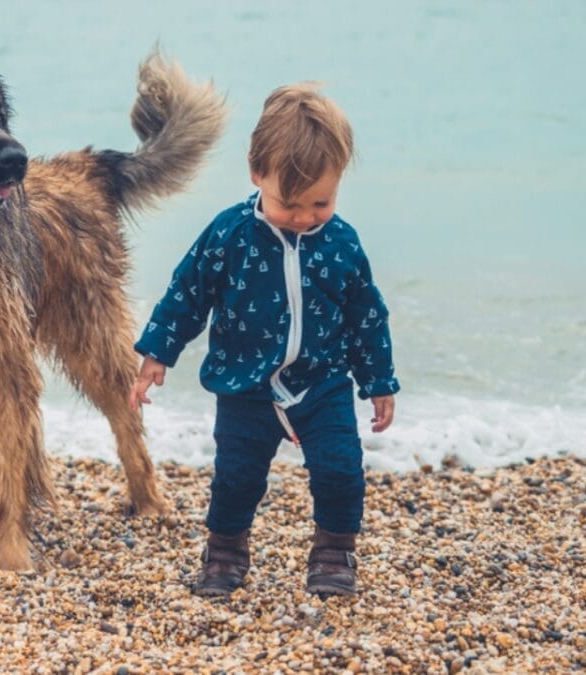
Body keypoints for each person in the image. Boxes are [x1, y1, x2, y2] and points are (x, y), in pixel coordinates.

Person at [127, 83, 399, 597]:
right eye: (289, 203)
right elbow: (188, 292)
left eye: (321, 202)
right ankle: (225, 553)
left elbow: (366, 315)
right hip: (243, 386)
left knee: (341, 470)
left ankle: (334, 553)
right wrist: (158, 352)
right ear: (256, 172)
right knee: (236, 477)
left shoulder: (342, 242)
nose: (304, 217)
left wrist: (379, 381)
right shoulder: (230, 234)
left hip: (321, 383)